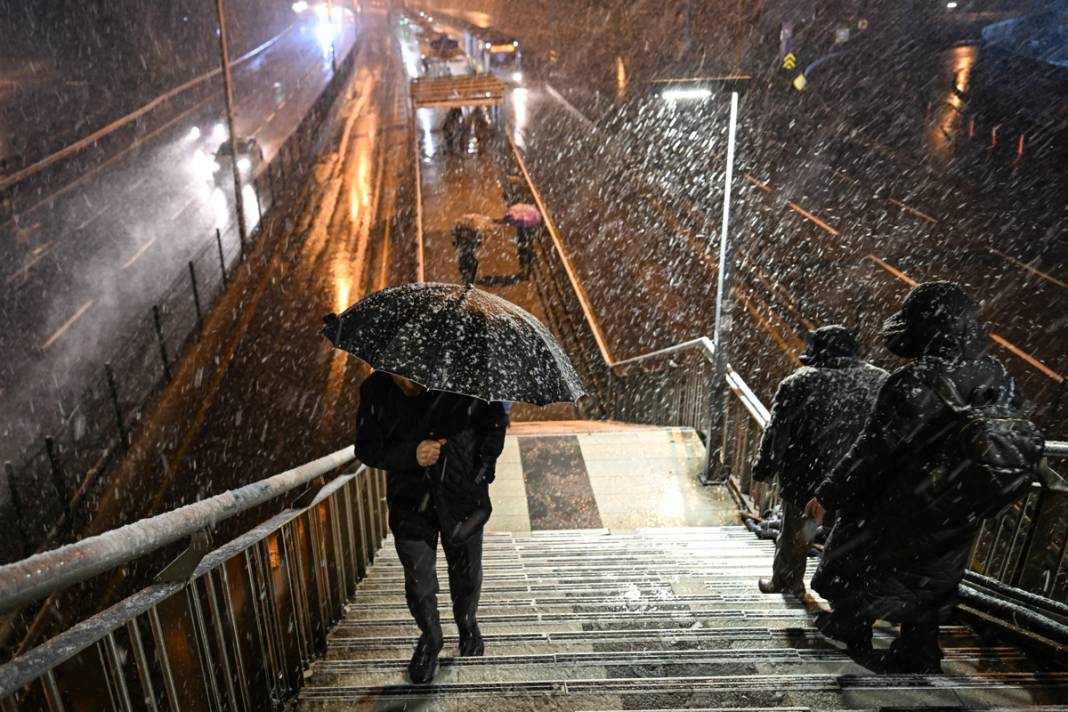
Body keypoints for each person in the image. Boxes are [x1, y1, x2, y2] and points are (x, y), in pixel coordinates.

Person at [805, 282, 1028, 673]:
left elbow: (872, 451)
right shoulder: (998, 376)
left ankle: (852, 629)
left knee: (863, 559)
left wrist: (829, 492)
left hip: (902, 501)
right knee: (933, 575)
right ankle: (919, 650)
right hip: (957, 503)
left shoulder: (913, 383)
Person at [355, 371, 509, 684]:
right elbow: (366, 447)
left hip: (461, 495)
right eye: (396, 373)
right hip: (410, 502)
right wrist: (412, 454)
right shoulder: (375, 389)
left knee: (466, 572)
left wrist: (481, 469)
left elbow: (494, 425)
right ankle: (430, 638)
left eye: (409, 374)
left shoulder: (466, 379)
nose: (404, 382)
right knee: (419, 582)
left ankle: (467, 623)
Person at [752, 325, 887, 599]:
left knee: (798, 535)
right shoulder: (880, 381)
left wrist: (765, 466)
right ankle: (846, 594)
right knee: (851, 538)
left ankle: (789, 582)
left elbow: (778, 432)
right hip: (858, 477)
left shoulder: (798, 383)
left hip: (807, 478)